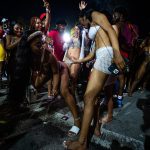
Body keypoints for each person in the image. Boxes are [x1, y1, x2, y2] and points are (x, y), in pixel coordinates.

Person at [63, 1, 125, 149]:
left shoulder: (95, 15)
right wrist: (79, 60)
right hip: (101, 55)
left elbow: (111, 30)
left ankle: (82, 143)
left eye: (81, 21)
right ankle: (83, 140)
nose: (82, 24)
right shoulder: (93, 25)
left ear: (85, 16)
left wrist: (117, 54)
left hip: (106, 55)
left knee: (89, 98)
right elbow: (92, 53)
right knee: (89, 98)